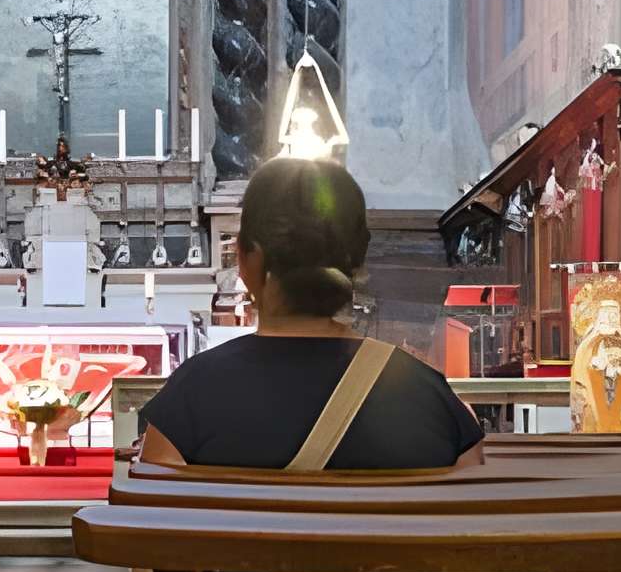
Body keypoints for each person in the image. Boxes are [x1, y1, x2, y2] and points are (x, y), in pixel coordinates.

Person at [136, 156, 485, 475]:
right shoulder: (433, 403)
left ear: (246, 259)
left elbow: (156, 517)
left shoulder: (192, 397)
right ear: (359, 260)